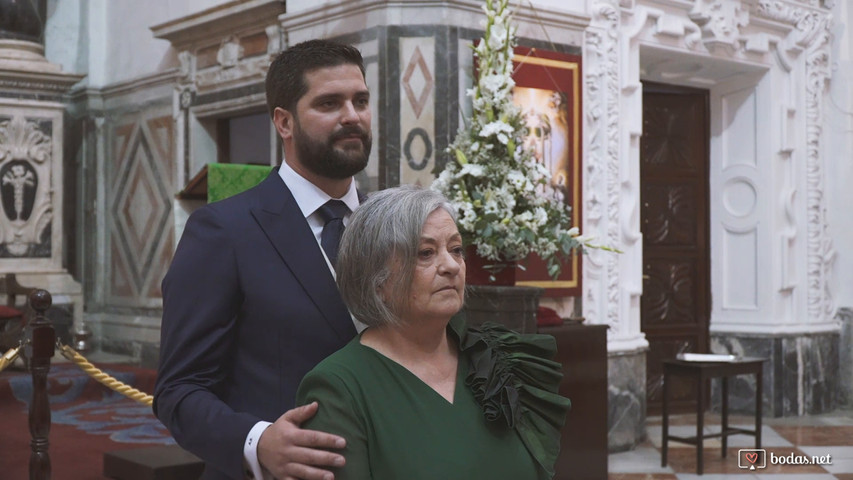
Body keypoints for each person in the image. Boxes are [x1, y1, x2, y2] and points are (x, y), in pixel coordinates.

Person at [154, 39, 372, 480]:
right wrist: (257, 441)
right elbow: (179, 390)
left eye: (360, 100)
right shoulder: (224, 231)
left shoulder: (389, 225)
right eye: (329, 103)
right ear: (284, 122)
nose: (352, 116)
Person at [295, 186, 571, 480]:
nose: (452, 266)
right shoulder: (339, 389)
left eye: (456, 249)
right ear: (377, 281)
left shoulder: (495, 361)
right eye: (426, 253)